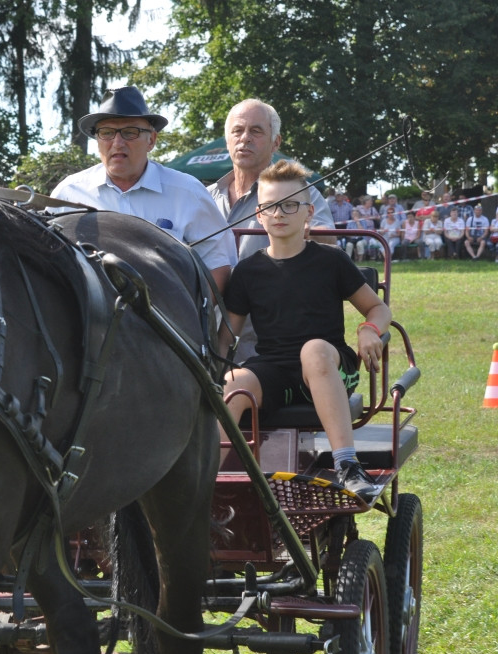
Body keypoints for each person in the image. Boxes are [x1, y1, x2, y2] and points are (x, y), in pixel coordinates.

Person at [217, 160, 391, 501]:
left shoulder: (331, 261)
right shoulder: (247, 272)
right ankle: (207, 478)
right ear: (259, 213)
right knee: (233, 382)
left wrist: (370, 329)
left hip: (330, 366)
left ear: (308, 212)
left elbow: (377, 308)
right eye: (270, 206)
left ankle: (347, 464)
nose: (279, 213)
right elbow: (227, 338)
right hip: (273, 372)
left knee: (313, 350)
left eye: (290, 205)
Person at [51, 86, 237, 290]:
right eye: (106, 133)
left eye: (130, 132)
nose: (117, 142)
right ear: (97, 141)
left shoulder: (187, 192)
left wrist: (190, 320)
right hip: (88, 319)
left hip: (169, 318)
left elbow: (219, 266)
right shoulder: (68, 194)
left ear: (152, 140)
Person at [208, 98, 335, 263]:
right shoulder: (205, 195)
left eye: (256, 131)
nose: (245, 138)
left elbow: (330, 239)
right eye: (237, 130)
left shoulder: (299, 190)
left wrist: (309, 232)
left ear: (276, 142)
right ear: (227, 142)